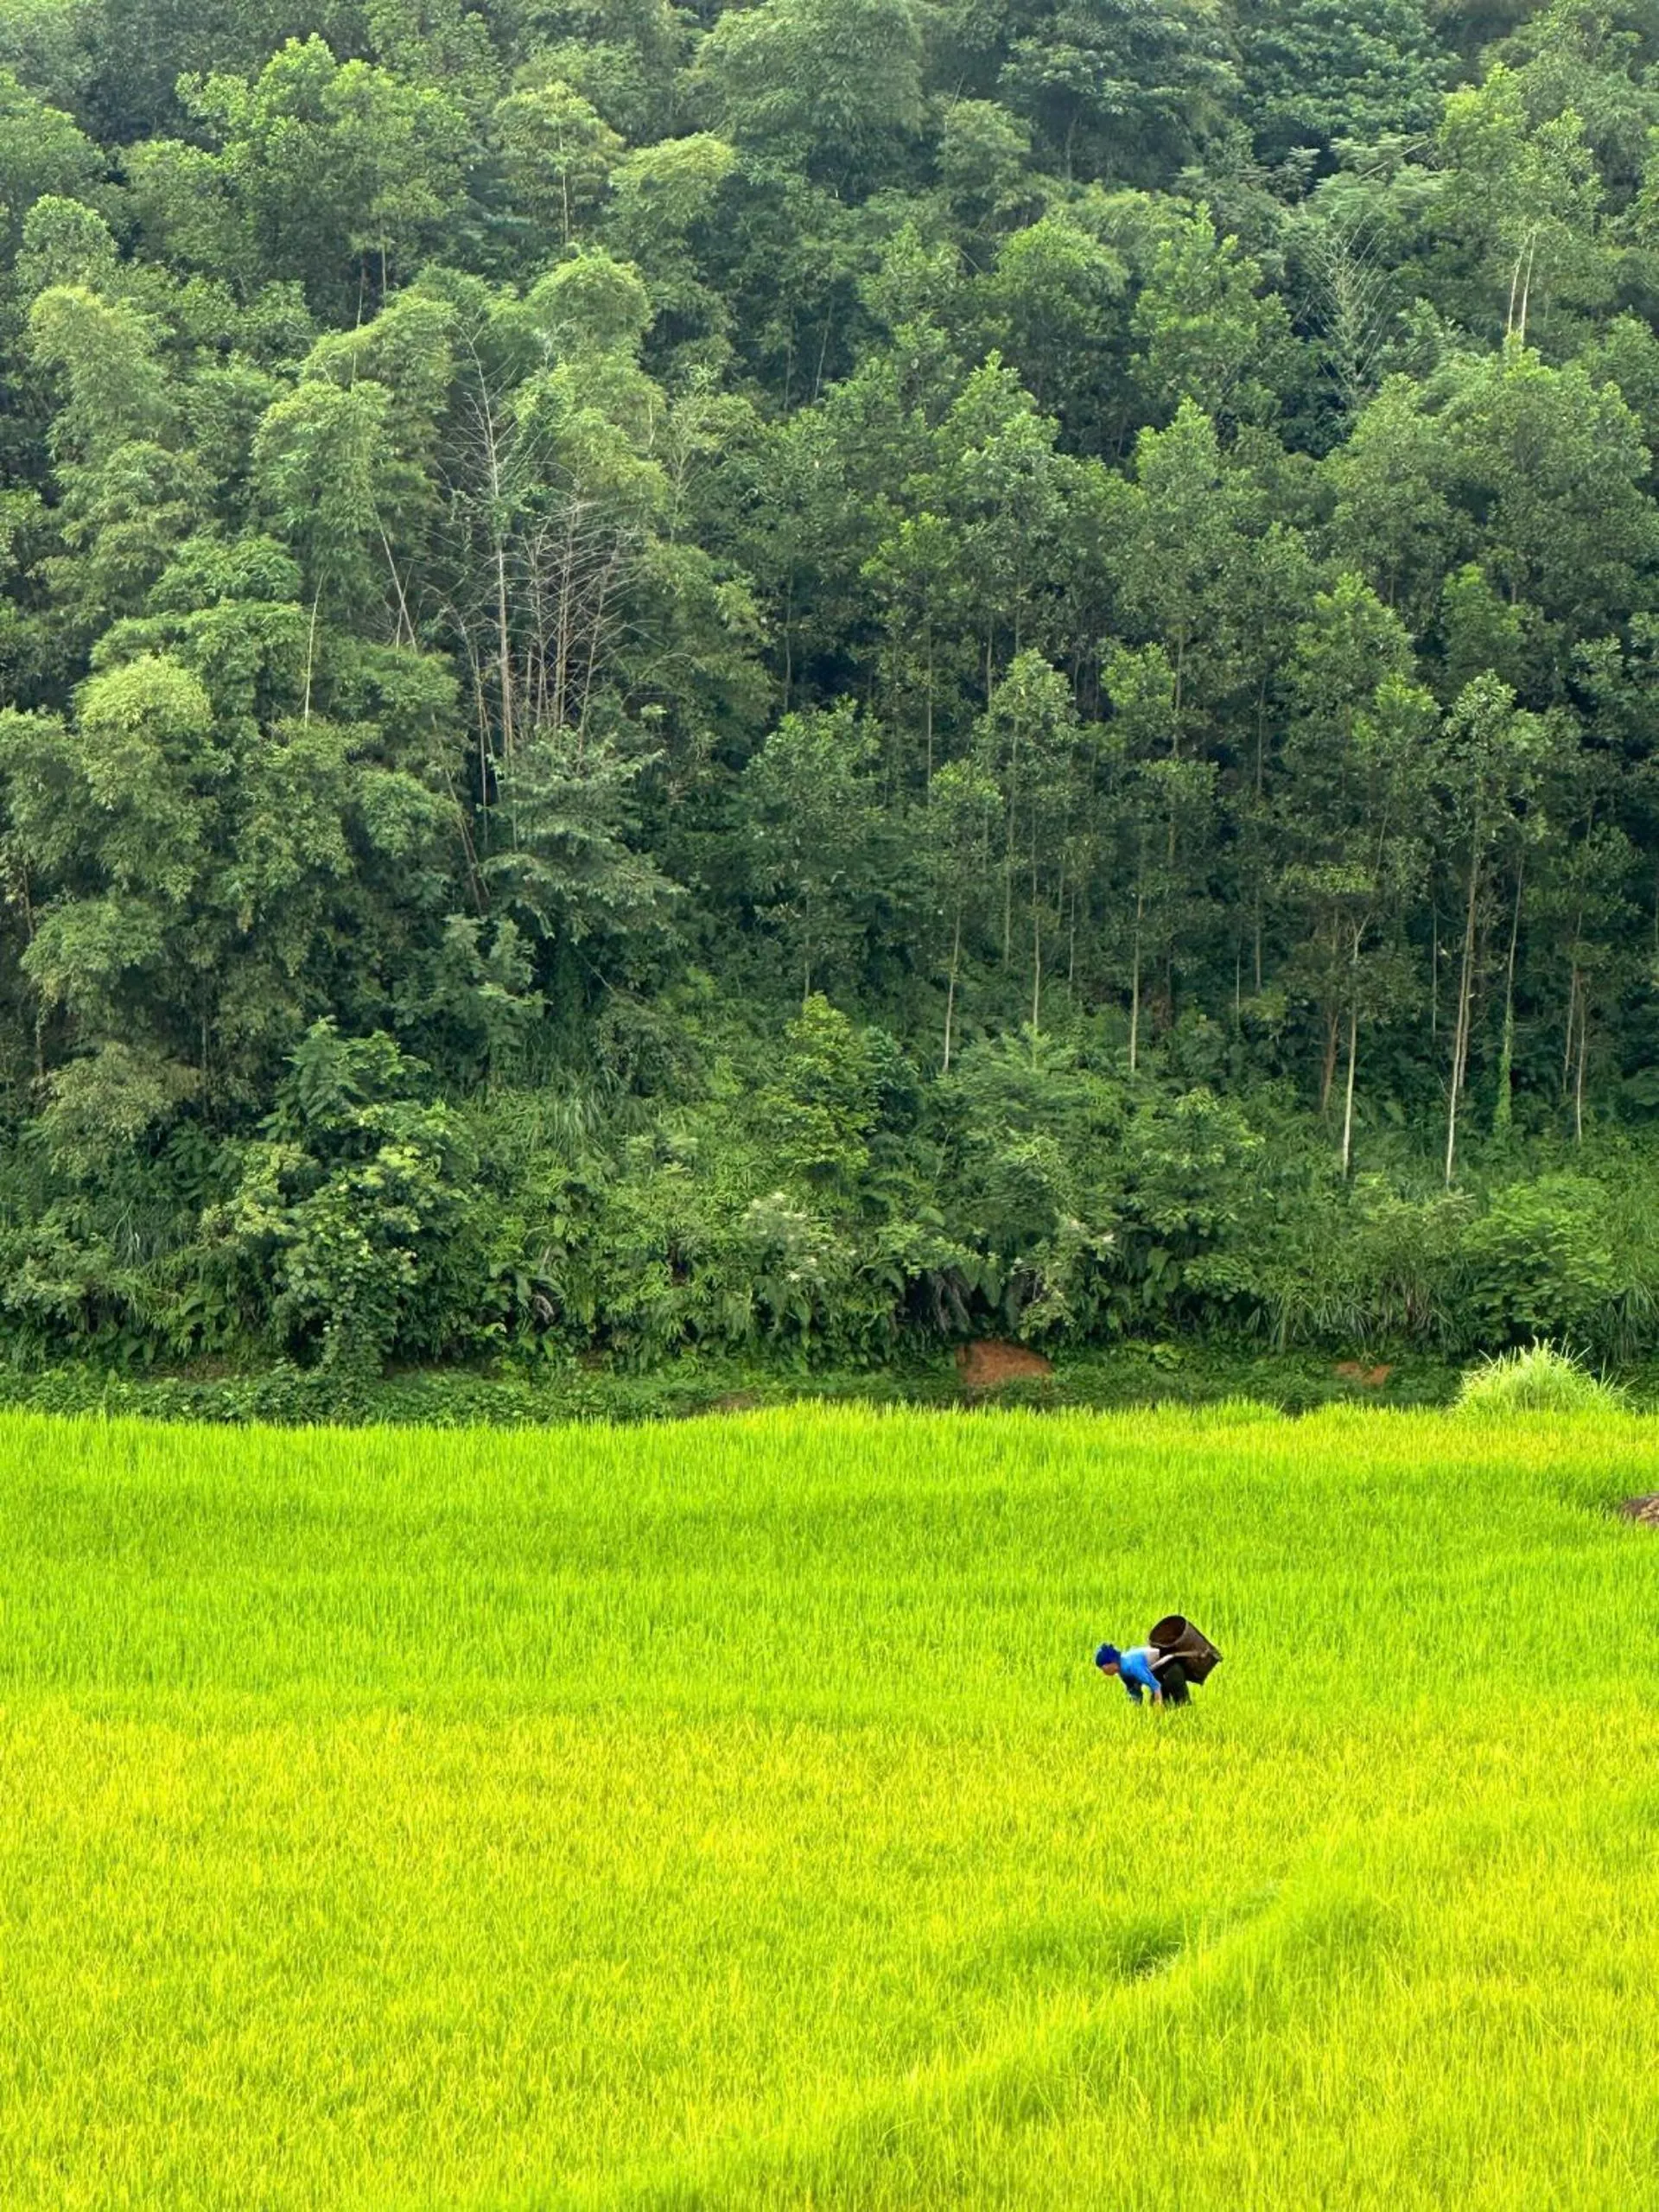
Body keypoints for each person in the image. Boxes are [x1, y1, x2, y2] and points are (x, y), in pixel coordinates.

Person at [1095, 1641, 1188, 1706]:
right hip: (1159, 1674)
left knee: (1180, 1705)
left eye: (1103, 1668)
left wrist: (1158, 1709)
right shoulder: (1122, 1670)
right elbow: (1134, 1691)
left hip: (1171, 1670)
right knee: (1159, 1705)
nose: (1104, 1672)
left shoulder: (1132, 1666)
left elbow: (1156, 1686)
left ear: (1111, 1663)